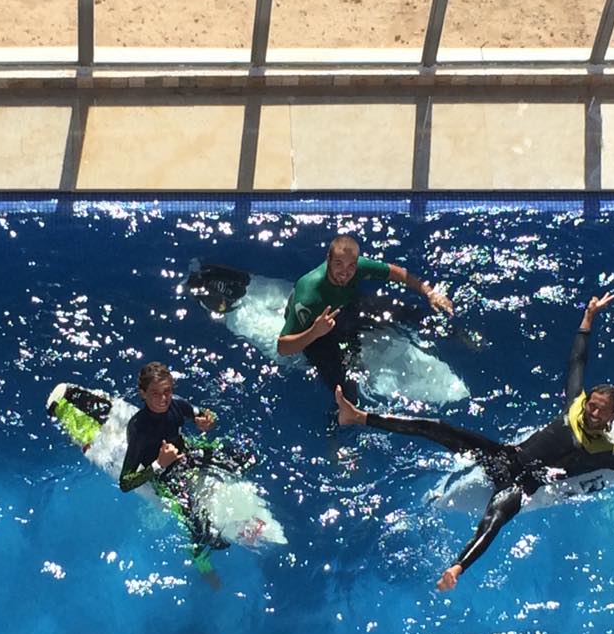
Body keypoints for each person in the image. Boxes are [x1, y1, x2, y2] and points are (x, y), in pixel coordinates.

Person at [335, 293, 614, 592]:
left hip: (526, 484)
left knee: (494, 522)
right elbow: (577, 360)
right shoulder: (573, 405)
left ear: (612, 417)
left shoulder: (603, 454)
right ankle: (360, 416)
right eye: (592, 405)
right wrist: (587, 318)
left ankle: (457, 568)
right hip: (504, 457)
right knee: (440, 428)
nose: (593, 412)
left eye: (601, 411)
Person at [277, 235, 455, 402]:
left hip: (346, 307)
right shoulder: (309, 295)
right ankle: (338, 422)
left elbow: (394, 272)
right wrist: (315, 332)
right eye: (338, 264)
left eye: (351, 266)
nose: (345, 272)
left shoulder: (357, 267)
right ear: (328, 259)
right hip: (318, 331)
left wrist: (429, 292)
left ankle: (457, 337)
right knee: (348, 392)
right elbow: (283, 347)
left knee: (410, 313)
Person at [120, 361, 253, 567]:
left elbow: (205, 414)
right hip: (165, 475)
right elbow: (125, 483)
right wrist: (159, 464)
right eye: (155, 393)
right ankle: (202, 564)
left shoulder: (176, 403)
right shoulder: (139, 430)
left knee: (246, 458)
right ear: (143, 393)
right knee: (202, 531)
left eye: (167, 391)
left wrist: (207, 421)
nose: (163, 399)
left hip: (188, 454)